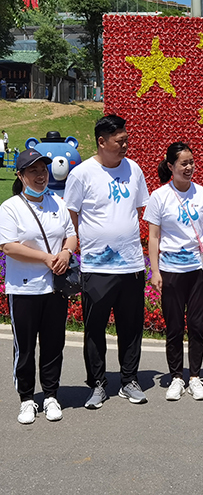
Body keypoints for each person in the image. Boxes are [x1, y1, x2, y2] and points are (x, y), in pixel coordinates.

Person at [64, 114, 150, 409]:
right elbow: (71, 215)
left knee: (131, 326)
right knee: (95, 328)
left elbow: (139, 209)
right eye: (119, 141)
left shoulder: (134, 169)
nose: (125, 145)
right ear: (102, 142)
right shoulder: (82, 174)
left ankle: (129, 380)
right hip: (96, 267)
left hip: (131, 265)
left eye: (126, 140)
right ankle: (98, 383)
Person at [0, 149, 78, 424]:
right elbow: (8, 246)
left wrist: (66, 253)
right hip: (24, 289)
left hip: (55, 288)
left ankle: (51, 395)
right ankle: (26, 399)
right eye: (33, 170)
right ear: (20, 175)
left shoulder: (57, 202)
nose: (40, 175)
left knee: (54, 343)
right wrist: (46, 258)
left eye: (43, 169)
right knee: (25, 347)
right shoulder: (10, 208)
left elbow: (71, 234)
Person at [144, 142, 203, 402]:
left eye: (191, 162)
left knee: (197, 326)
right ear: (171, 166)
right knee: (174, 327)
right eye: (183, 163)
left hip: (198, 270)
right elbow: (154, 237)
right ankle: (177, 376)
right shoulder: (159, 196)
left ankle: (195, 377)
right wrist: (155, 271)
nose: (189, 168)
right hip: (171, 271)